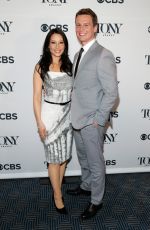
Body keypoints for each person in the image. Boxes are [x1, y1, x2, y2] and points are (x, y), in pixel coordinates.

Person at [67, 8, 118, 220]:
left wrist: (98, 119)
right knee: (83, 158)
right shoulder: (78, 54)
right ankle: (86, 186)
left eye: (86, 24)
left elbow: (112, 93)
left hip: (92, 121)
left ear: (95, 28)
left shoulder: (104, 54)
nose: (81, 29)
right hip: (77, 118)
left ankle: (96, 201)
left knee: (96, 162)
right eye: (78, 24)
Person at [33, 28, 73, 215]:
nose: (57, 46)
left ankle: (57, 188)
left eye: (61, 42)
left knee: (64, 157)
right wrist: (40, 123)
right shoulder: (40, 67)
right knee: (53, 160)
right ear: (48, 45)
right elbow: (36, 98)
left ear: (65, 45)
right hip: (49, 117)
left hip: (68, 116)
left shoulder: (69, 65)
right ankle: (57, 195)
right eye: (53, 42)